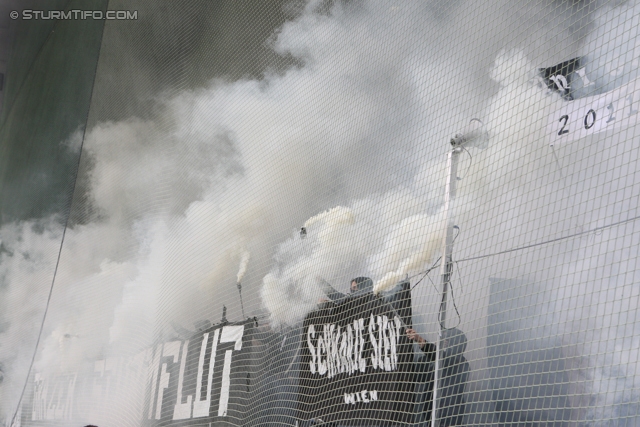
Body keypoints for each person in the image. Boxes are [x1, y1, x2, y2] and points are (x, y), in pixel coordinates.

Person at [406, 327, 469, 426]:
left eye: (447, 341)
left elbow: (440, 357)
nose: (444, 343)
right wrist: (433, 349)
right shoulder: (436, 361)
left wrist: (421, 340)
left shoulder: (460, 362)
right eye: (444, 340)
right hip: (432, 416)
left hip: (449, 417)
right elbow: (418, 373)